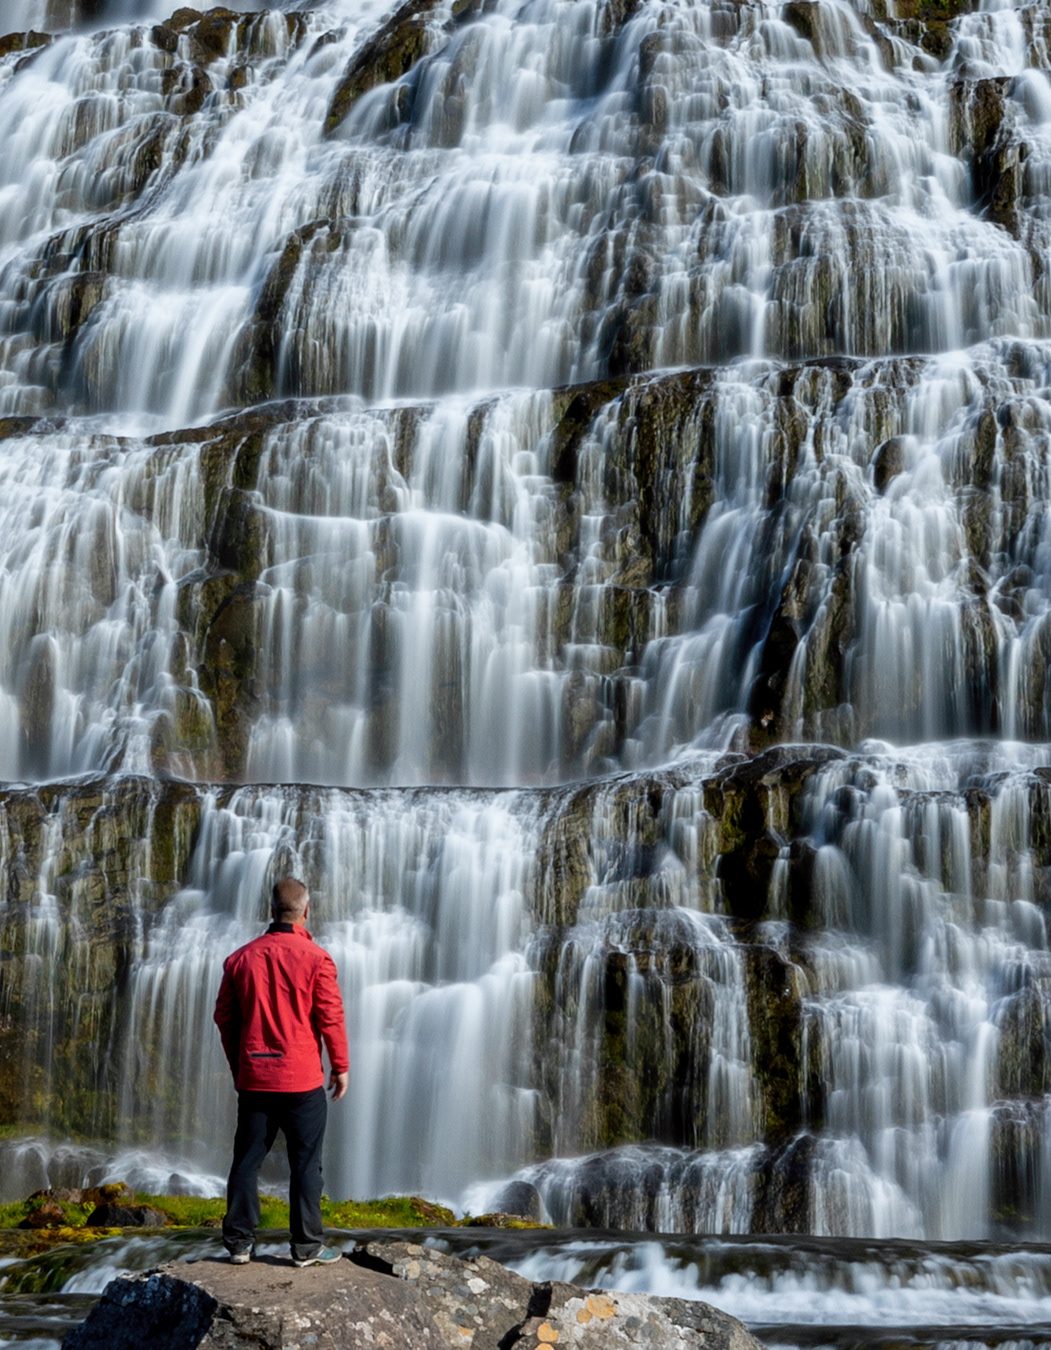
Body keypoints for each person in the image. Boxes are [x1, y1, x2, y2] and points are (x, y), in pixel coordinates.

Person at [213, 876, 349, 1267]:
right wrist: (340, 1066)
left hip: (255, 1079)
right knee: (306, 1164)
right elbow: (330, 1018)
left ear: (271, 910)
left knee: (246, 1161)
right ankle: (306, 1247)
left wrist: (240, 1064)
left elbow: (224, 1017)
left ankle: (239, 1244)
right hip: (302, 1081)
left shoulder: (239, 960)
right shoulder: (317, 959)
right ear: (307, 912)